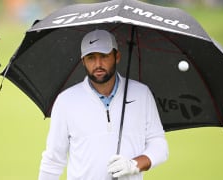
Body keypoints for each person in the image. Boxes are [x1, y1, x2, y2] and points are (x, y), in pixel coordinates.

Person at [38, 29, 169, 180]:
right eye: (91, 58)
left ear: (117, 56)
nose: (98, 64)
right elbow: (53, 160)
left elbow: (159, 146)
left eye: (104, 56)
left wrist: (134, 165)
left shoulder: (141, 93)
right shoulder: (66, 100)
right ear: (83, 61)